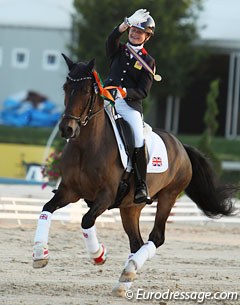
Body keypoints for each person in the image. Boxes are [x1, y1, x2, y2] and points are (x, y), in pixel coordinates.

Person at [104, 9, 156, 204]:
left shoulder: (148, 61)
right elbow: (110, 41)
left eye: (139, 32)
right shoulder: (118, 50)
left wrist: (125, 92)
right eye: (132, 30)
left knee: (138, 137)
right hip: (107, 99)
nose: (134, 34)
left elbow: (143, 91)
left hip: (128, 105)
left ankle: (142, 185)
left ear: (146, 36)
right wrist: (124, 24)